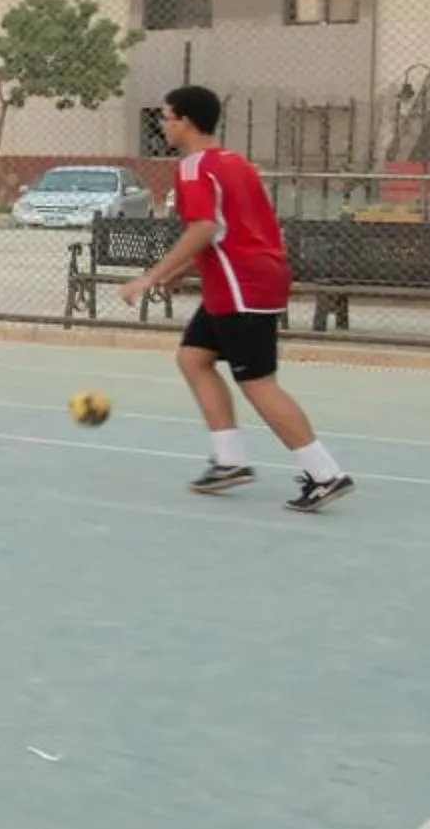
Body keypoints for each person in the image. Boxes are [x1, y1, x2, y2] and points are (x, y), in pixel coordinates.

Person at [119, 83, 353, 512]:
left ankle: (325, 474)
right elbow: (231, 229)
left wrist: (151, 276)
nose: (163, 125)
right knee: (193, 357)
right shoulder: (237, 164)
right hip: (247, 280)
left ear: (185, 121)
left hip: (241, 286)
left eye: (166, 118)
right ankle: (229, 461)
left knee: (258, 383)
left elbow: (204, 228)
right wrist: (182, 272)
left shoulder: (193, 167)